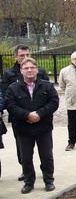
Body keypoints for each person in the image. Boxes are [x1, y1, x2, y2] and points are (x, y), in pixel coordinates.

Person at [5, 58, 60, 194]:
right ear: (21, 71)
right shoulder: (13, 88)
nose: (29, 70)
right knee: (26, 158)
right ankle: (29, 182)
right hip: (23, 129)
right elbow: (11, 105)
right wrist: (27, 115)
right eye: (26, 68)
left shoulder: (47, 86)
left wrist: (39, 114)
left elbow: (54, 102)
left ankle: (48, 180)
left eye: (32, 68)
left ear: (37, 69)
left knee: (46, 156)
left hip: (43, 128)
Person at [1, 45, 50, 182]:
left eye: (27, 54)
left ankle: (45, 170)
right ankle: (25, 170)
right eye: (22, 55)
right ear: (16, 57)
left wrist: (38, 113)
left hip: (41, 118)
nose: (25, 58)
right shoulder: (9, 74)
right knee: (23, 149)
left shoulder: (39, 72)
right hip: (20, 119)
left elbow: (48, 94)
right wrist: (26, 114)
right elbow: (7, 97)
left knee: (45, 150)